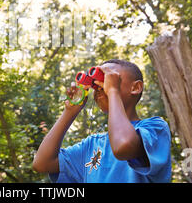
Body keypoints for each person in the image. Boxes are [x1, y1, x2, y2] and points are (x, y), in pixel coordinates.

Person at [32, 59, 171, 183]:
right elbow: (42, 163)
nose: (100, 87)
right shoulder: (91, 144)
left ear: (135, 87)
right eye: (97, 82)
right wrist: (70, 112)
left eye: (110, 78)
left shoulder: (156, 128)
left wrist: (112, 91)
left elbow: (123, 145)